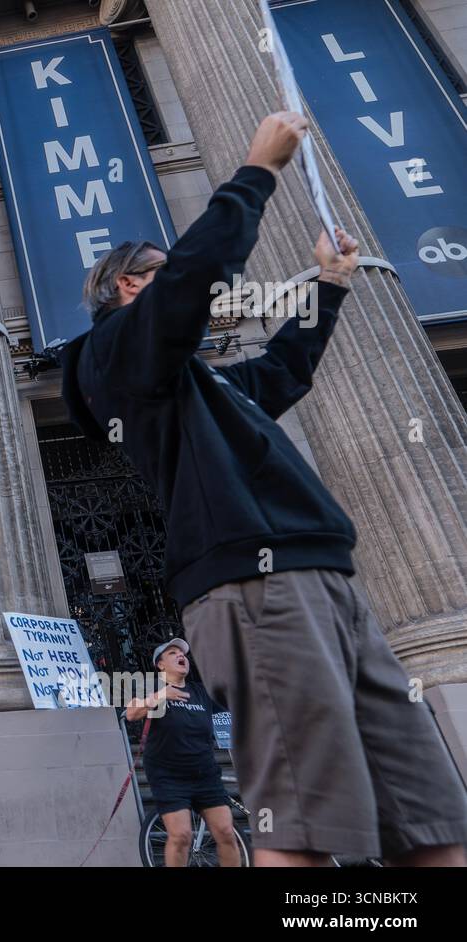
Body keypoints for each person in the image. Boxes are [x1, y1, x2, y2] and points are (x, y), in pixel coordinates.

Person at [62, 110, 467, 866]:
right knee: (305, 830)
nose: (188, 284)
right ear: (129, 287)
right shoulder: (115, 357)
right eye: (162, 268)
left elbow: (278, 374)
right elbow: (192, 280)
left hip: (329, 581)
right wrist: (258, 170)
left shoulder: (195, 385)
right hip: (255, 585)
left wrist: (330, 285)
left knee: (430, 821)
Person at [126, 639, 238, 867]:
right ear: (160, 664)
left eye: (184, 654)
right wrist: (159, 696)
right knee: (181, 836)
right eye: (173, 652)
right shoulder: (153, 687)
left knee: (226, 833)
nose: (181, 656)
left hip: (205, 772)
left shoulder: (200, 692)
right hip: (169, 775)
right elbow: (131, 713)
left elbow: (235, 699)